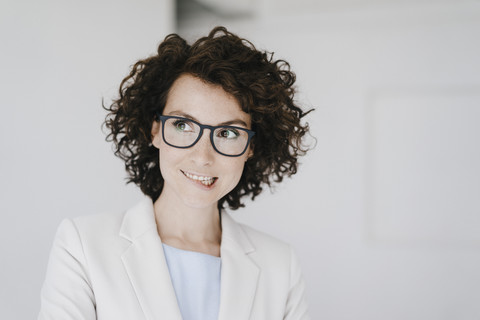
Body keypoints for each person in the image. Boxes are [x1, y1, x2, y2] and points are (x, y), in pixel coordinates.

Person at [38, 26, 313, 320]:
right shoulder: (82, 245)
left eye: (228, 133)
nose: (202, 156)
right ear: (156, 130)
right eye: (183, 125)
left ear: (251, 147)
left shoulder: (280, 265)